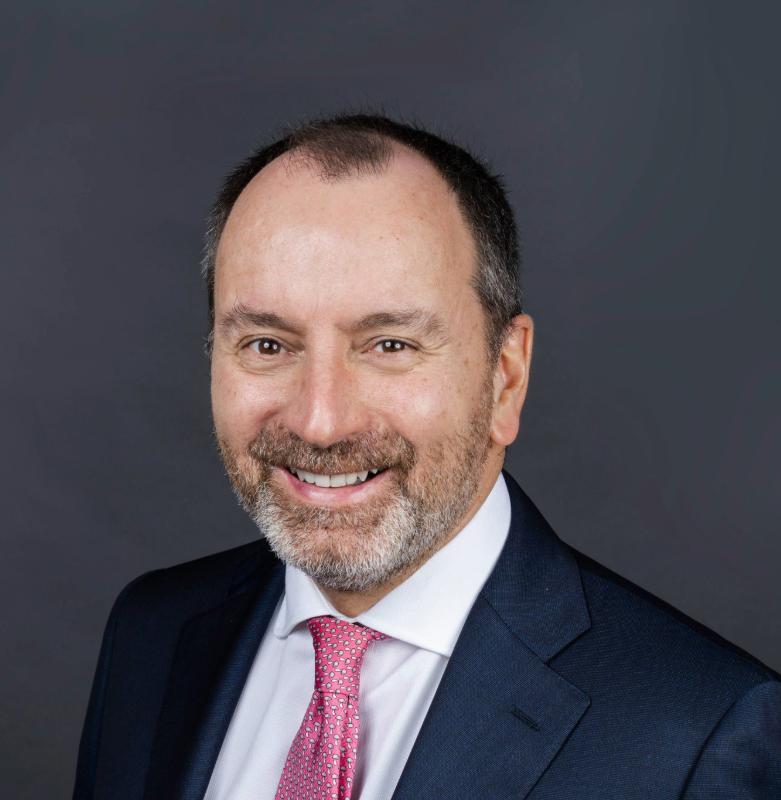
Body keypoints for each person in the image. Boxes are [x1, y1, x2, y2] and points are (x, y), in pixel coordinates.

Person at [73, 113, 781, 800]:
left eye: (390, 345)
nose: (321, 423)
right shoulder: (153, 633)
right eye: (267, 344)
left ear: (506, 376)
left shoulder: (701, 734)